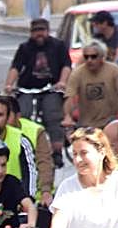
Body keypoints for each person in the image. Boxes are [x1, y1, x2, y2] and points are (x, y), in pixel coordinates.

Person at [6, 95, 60, 228]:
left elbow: (44, 163)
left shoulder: (33, 132)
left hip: (34, 199)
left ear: (17, 116)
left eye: (5, 115)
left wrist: (45, 191)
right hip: (3, 203)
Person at [4, 18, 71, 164]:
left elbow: (66, 65)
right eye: (35, 31)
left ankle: (57, 150)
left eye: (41, 30)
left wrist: (62, 82)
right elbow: (16, 67)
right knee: (23, 114)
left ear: (47, 31)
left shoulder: (58, 46)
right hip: (27, 88)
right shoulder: (24, 48)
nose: (38, 34)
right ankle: (23, 147)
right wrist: (9, 84)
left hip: (51, 88)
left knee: (53, 115)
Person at [63, 40, 118, 129]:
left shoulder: (114, 70)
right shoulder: (77, 73)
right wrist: (68, 116)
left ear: (102, 57)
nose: (89, 60)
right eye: (86, 57)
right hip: (86, 125)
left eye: (93, 57)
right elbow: (70, 97)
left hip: (111, 122)